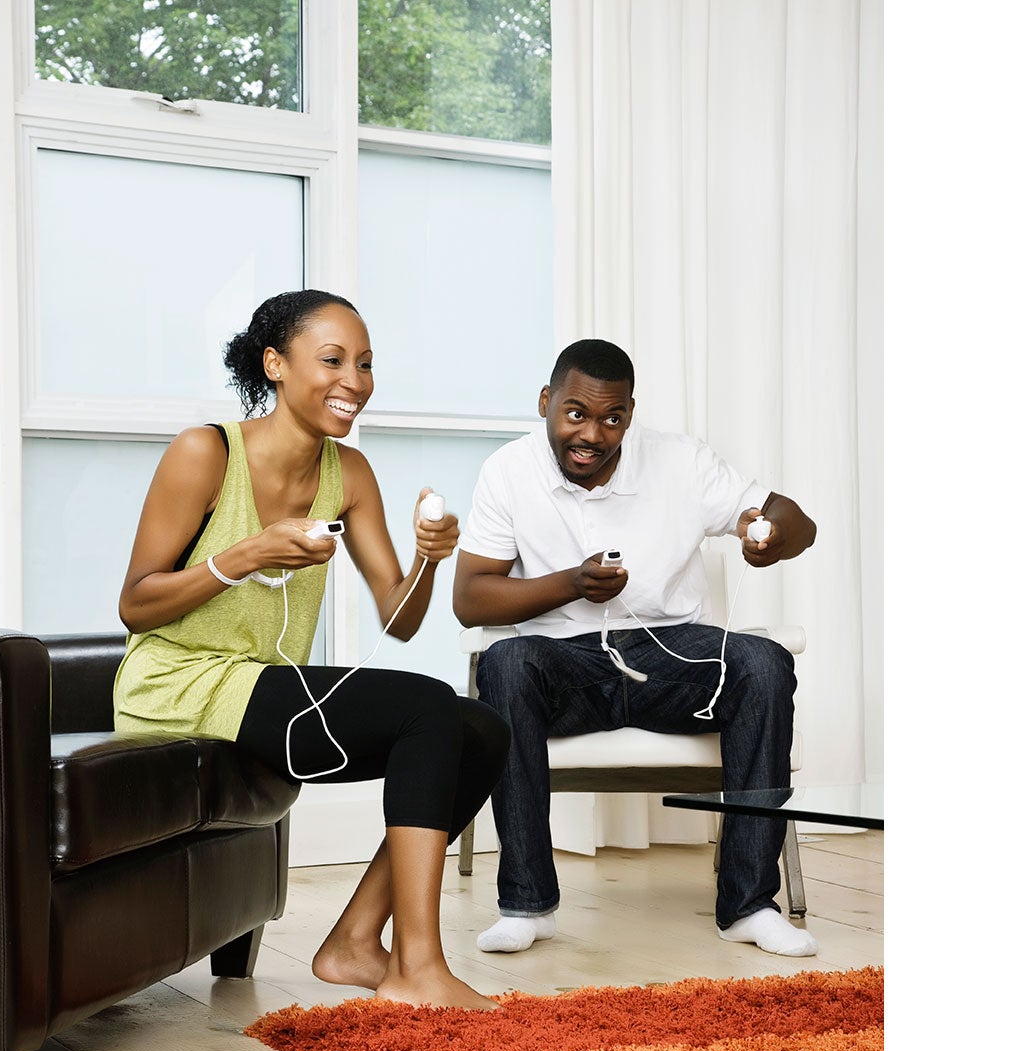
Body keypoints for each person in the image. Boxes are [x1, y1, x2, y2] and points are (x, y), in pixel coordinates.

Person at [113, 288, 508, 1010]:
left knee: (481, 728)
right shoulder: (206, 452)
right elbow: (135, 603)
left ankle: (355, 943)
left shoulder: (348, 474)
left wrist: (428, 560)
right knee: (426, 706)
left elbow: (400, 617)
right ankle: (419, 966)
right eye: (332, 360)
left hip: (257, 687)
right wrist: (246, 554)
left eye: (365, 363)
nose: (353, 380)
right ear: (275, 364)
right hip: (177, 685)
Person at [452, 338, 818, 959]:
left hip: (672, 653)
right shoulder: (508, 471)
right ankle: (527, 904)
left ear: (629, 415)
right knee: (506, 662)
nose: (592, 434)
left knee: (764, 662)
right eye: (575, 413)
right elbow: (470, 599)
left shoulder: (681, 462)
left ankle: (750, 906)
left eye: (612, 418)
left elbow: (794, 519)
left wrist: (774, 534)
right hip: (565, 660)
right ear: (545, 403)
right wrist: (570, 584)